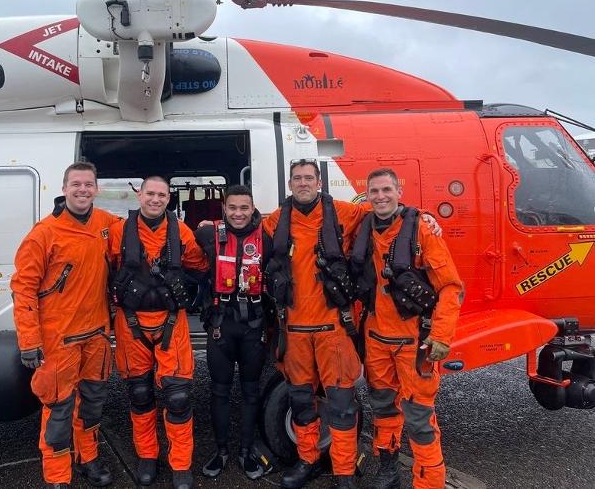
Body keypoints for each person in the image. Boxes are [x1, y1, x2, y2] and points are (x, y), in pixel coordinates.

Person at [350, 168, 462, 489]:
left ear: (399, 191)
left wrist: (441, 335)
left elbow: (451, 287)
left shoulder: (421, 229)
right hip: (375, 339)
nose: (381, 197)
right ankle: (389, 471)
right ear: (367, 195)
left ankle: (428, 484)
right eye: (374, 191)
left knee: (420, 419)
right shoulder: (363, 225)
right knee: (383, 408)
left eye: (387, 190)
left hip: (414, 342)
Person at [11, 162, 119, 489]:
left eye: (88, 184)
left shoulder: (106, 223)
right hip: (60, 340)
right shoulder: (44, 233)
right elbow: (23, 287)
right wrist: (29, 341)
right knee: (59, 410)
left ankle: (89, 458)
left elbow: (140, 232)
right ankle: (58, 476)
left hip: (97, 335)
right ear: (64, 188)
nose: (83, 190)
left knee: (93, 403)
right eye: (76, 184)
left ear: (96, 189)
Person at [263, 159, 368, 489]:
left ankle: (344, 471)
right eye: (298, 178)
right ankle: (307, 460)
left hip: (332, 331)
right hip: (294, 332)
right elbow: (242, 229)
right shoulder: (276, 220)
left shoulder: (344, 213)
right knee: (301, 403)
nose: (303, 183)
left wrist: (419, 217)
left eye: (309, 178)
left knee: (340, 406)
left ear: (319, 181)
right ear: (290, 183)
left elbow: (385, 214)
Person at [108, 176, 208, 489]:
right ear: (139, 195)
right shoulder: (117, 232)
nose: (155, 199)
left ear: (169, 198)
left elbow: (201, 264)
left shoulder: (182, 232)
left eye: (161, 195)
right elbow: (104, 268)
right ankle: (147, 457)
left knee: (178, 397)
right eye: (150, 193)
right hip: (131, 321)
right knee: (139, 394)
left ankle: (181, 465)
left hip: (170, 322)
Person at [194, 184, 273, 480]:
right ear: (223, 209)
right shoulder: (206, 234)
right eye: (232, 208)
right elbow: (170, 235)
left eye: (244, 208)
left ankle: (246, 451)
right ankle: (222, 450)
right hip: (221, 326)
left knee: (251, 392)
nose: (238, 214)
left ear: (253, 209)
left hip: (253, 326)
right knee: (219, 391)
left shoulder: (267, 237)